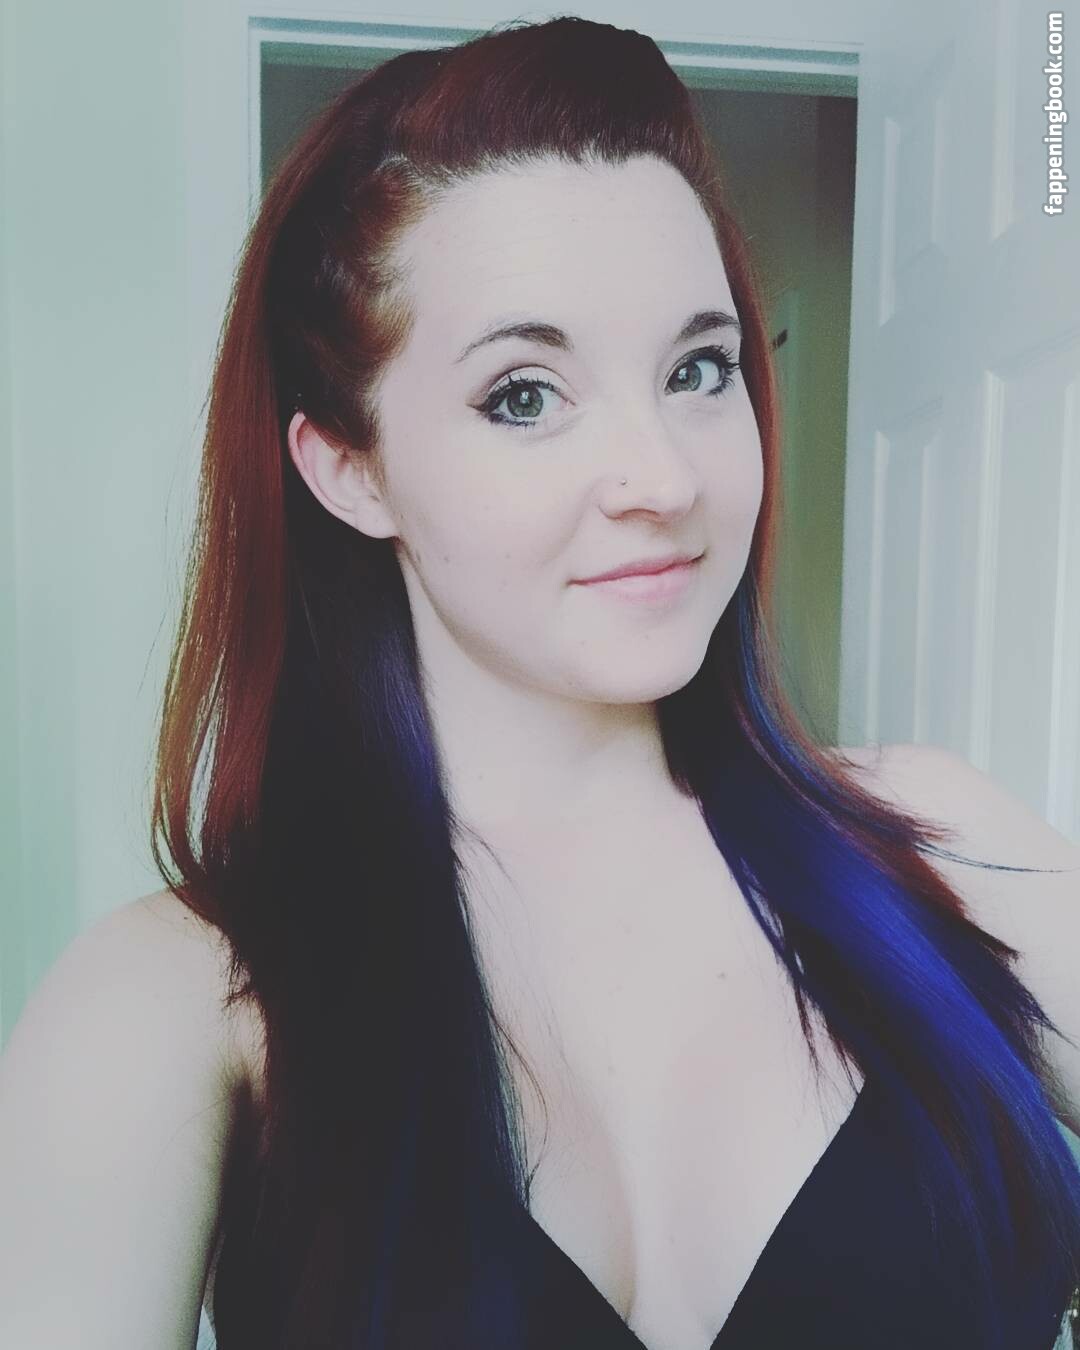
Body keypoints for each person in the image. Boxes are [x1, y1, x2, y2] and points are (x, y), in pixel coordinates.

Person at [2, 15, 1080, 1350]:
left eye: (699, 370)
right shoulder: (176, 1002)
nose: (663, 478)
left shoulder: (935, 849)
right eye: (524, 394)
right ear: (351, 468)